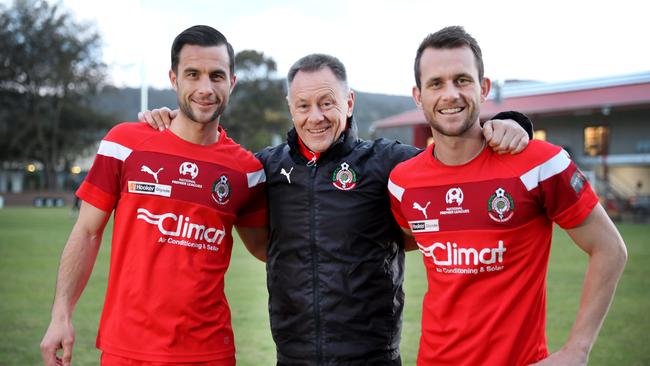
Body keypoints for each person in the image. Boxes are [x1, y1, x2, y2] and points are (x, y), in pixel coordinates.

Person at [142, 53, 532, 365]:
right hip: (292, 356)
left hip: (372, 356)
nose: (316, 116)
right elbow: (255, 235)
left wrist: (511, 122)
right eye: (304, 105)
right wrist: (168, 121)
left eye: (327, 103)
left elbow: (454, 158)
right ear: (290, 109)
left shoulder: (387, 161)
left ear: (348, 101)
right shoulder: (264, 168)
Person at [388, 26, 627, 366]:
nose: (450, 94)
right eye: (436, 83)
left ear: (484, 88)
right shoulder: (403, 182)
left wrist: (577, 349)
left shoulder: (540, 164)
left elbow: (610, 249)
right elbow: (410, 238)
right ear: (418, 96)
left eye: (462, 80)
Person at [39, 25, 268, 366]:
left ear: (231, 82)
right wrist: (61, 315)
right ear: (174, 79)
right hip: (127, 348)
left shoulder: (247, 171)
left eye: (216, 76)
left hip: (209, 352)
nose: (205, 88)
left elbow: (267, 248)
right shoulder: (124, 143)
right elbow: (87, 233)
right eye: (193, 74)